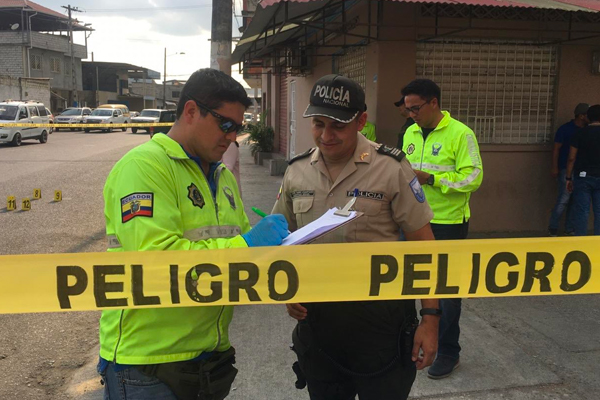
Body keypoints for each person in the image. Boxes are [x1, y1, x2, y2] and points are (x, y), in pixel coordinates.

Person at [98, 68, 289, 400]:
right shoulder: (144, 168)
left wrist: (283, 262)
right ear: (190, 111)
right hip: (148, 363)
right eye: (225, 124)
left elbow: (242, 261)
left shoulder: (222, 177)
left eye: (239, 128)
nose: (232, 137)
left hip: (208, 356)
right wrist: (246, 243)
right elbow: (156, 259)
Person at [273, 74, 440, 400]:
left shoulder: (391, 168)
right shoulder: (297, 170)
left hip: (381, 323)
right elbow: (285, 237)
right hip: (319, 323)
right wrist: (289, 288)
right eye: (318, 124)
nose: (326, 135)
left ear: (361, 121)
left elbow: (425, 246)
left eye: (338, 125)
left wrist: (431, 320)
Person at [401, 78, 483, 380]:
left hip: (447, 223)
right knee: (409, 284)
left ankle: (448, 351)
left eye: (416, 108)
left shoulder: (461, 134)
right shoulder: (410, 132)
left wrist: (433, 180)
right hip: (411, 221)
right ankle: (414, 339)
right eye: (407, 110)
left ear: (434, 102)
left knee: (445, 290)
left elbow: (473, 177)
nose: (411, 114)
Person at [548, 103, 589, 236]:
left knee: (575, 200)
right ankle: (553, 228)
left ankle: (569, 228)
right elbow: (556, 149)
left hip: (581, 170)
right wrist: (554, 167)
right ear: (581, 116)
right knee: (563, 199)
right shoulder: (565, 129)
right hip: (566, 169)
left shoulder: (588, 130)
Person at [566, 104, 600, 236]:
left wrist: (568, 178)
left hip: (582, 176)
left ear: (588, 117)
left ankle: (580, 242)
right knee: (599, 211)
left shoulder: (579, 133)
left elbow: (571, 158)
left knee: (582, 211)